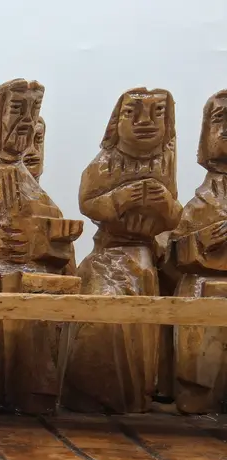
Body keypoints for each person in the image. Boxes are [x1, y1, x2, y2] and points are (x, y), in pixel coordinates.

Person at [0, 79, 80, 413]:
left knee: (40, 310)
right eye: (17, 109)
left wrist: (43, 240)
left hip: (28, 278)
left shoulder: (33, 187)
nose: (26, 120)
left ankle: (31, 395)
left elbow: (58, 241)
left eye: (34, 109)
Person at [62, 88, 182, 413]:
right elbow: (88, 202)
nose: (145, 121)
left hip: (146, 258)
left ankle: (136, 394)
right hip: (109, 254)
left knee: (144, 323)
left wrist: (165, 203)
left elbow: (175, 217)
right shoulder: (105, 162)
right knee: (105, 317)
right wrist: (121, 198)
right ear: (117, 121)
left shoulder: (165, 162)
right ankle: (96, 393)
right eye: (132, 112)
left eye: (157, 112)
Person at [166, 90, 227, 413]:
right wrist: (204, 241)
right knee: (197, 389)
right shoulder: (199, 203)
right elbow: (173, 254)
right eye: (220, 120)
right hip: (202, 287)